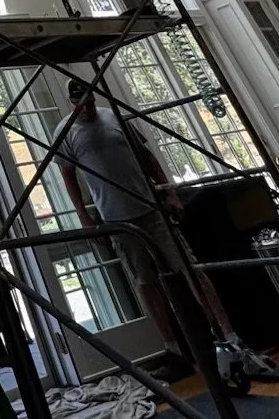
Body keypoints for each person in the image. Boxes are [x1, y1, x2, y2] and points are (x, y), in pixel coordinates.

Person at [56, 76, 236, 381]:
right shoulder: (65, 132)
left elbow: (148, 156)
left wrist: (170, 192)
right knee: (145, 282)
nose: (85, 109)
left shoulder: (114, 117)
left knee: (190, 269)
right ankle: (174, 350)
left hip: (150, 209)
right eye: (79, 104)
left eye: (89, 102)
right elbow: (68, 176)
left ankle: (228, 337)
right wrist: (84, 217)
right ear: (71, 103)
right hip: (117, 219)